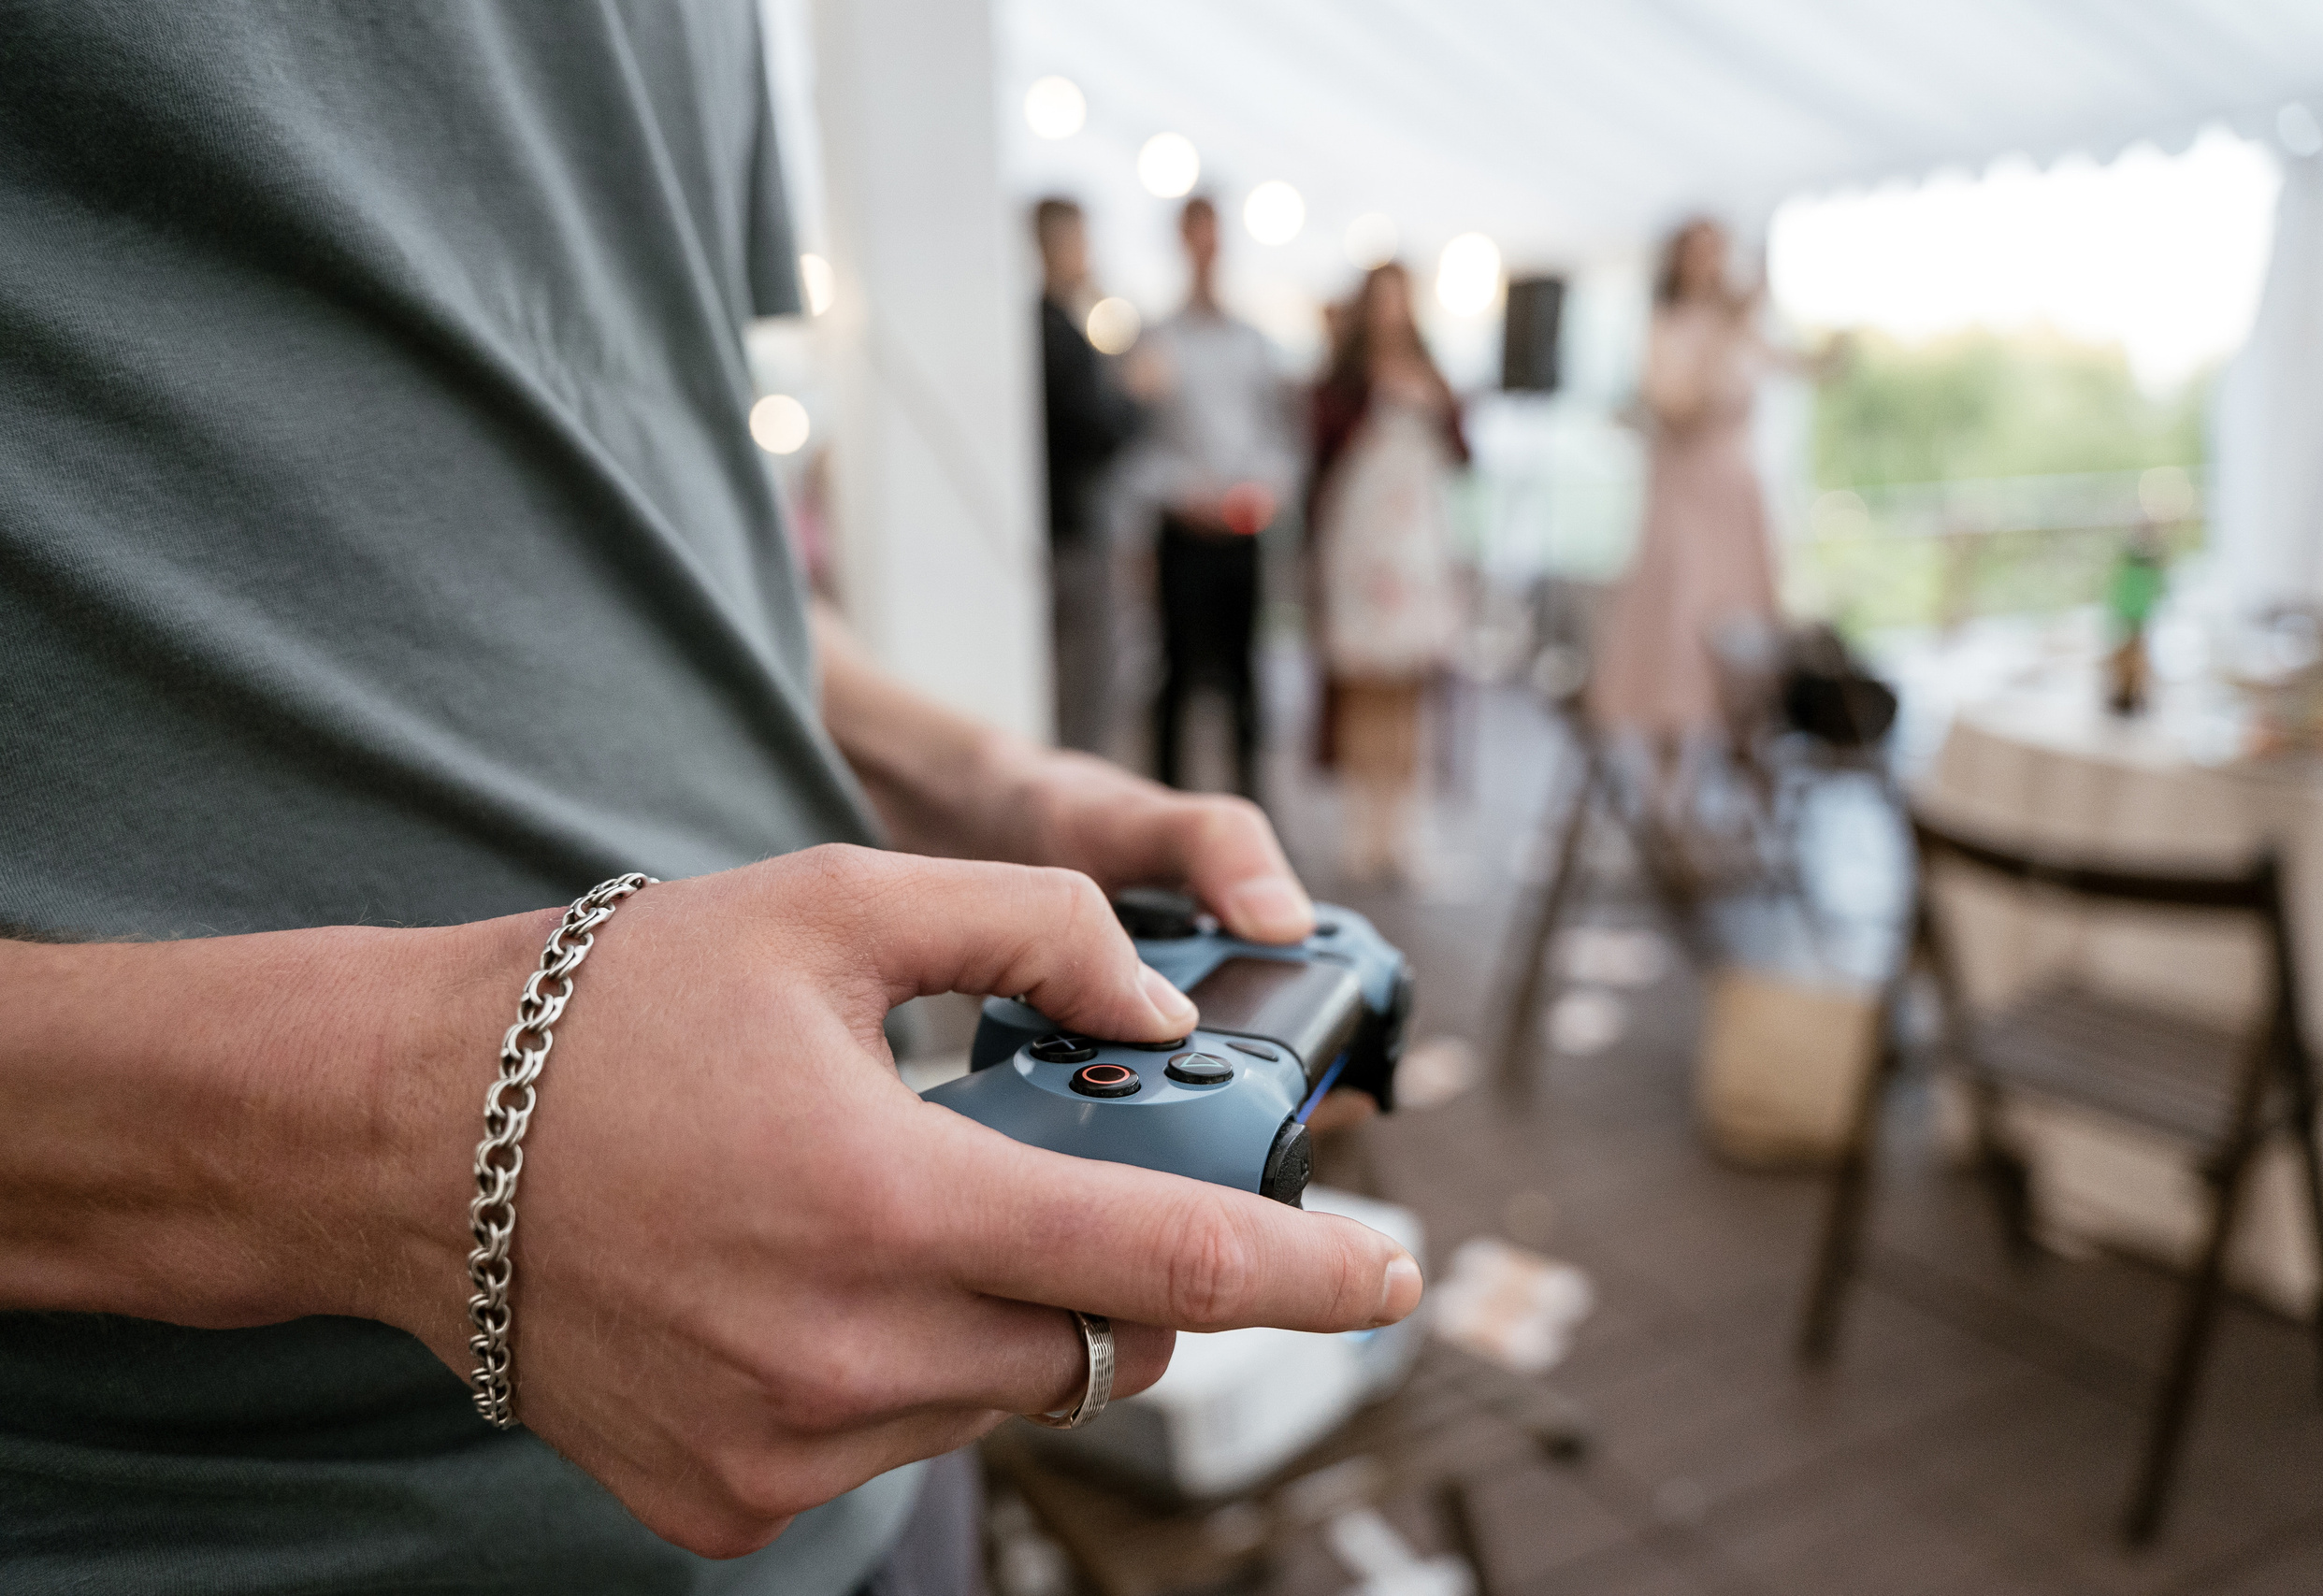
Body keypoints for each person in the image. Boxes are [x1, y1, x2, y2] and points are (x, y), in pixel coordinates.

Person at [0, 10, 1420, 1595]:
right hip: (246, 1534)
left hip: (871, 1464)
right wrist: (425, 1134)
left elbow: (643, 473)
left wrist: (987, 778)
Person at [1594, 217, 1823, 829]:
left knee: (1744, 631)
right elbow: (1677, 405)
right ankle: (1666, 789)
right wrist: (1722, 337)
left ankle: (1744, 785)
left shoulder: (1745, 330)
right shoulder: (1668, 330)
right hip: (1686, 498)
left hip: (1736, 498)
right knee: (1679, 629)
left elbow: (1801, 367)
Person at [1306, 263, 1468, 883]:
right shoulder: (1345, 382)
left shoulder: (1430, 376)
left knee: (1410, 689)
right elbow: (1319, 446)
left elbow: (1461, 450)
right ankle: (1361, 825)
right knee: (1363, 685)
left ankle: (1405, 828)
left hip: (1417, 544)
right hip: (1362, 544)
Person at [1135, 196, 1299, 800]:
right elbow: (1140, 446)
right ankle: (1166, 805)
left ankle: (1252, 805)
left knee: (1244, 677)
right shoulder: (1157, 338)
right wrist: (1183, 494)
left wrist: (1261, 489)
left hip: (1241, 528)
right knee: (1175, 676)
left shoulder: (1252, 340)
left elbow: (1277, 437)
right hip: (1183, 531)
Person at [1033, 198, 1143, 755]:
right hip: (1071, 532)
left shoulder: (1062, 325)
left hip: (1065, 528)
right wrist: (1137, 399)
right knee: (1086, 690)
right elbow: (1093, 432)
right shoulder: (1052, 331)